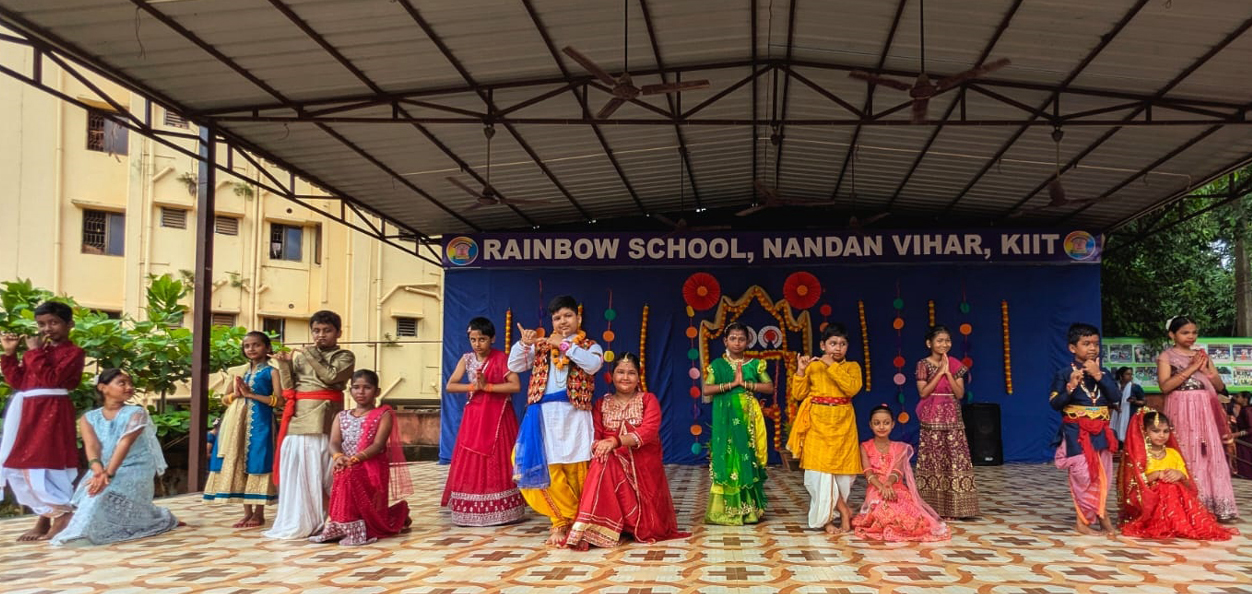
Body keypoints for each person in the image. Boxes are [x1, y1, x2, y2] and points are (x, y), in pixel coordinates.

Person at [565, 353, 688, 549]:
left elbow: (649, 431)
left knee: (605, 462)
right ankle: (595, 528)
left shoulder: (648, 400)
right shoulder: (601, 403)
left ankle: (599, 527)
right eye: (620, 372)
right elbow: (594, 435)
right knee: (603, 460)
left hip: (642, 463)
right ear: (612, 375)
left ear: (639, 376)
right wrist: (602, 446)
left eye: (631, 373)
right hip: (611, 460)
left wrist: (616, 442)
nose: (625, 377)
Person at [510, 295, 604, 546]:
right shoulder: (541, 346)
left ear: (578, 319)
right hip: (544, 416)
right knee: (549, 468)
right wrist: (524, 343)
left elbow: (593, 366)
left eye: (568, 316)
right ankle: (564, 520)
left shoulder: (590, 346)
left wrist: (564, 346)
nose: (563, 321)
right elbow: (515, 365)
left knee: (576, 469)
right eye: (557, 317)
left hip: (575, 415)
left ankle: (578, 521)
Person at [50, 369, 179, 546]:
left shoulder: (137, 413)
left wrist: (108, 474)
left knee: (102, 489)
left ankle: (84, 532)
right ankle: (81, 531)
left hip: (135, 465)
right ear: (103, 387)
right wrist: (98, 471)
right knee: (92, 489)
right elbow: (92, 446)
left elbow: (124, 443)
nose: (129, 387)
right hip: (103, 468)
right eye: (122, 383)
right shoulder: (89, 418)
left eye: (130, 383)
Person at [264, 310, 356, 540]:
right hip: (298, 418)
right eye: (316, 331)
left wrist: (310, 354)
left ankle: (332, 518)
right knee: (299, 475)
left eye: (327, 330)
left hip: (324, 419)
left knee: (324, 475)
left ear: (339, 333)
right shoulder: (302, 357)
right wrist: (284, 365)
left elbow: (330, 377)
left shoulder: (345, 356)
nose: (320, 335)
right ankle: (303, 520)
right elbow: (289, 388)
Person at [0, 301, 85, 542]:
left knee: (46, 462)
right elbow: (19, 382)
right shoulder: (39, 352)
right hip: (28, 410)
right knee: (18, 464)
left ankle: (61, 515)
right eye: (41, 324)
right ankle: (47, 515)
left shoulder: (74, 353)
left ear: (69, 324)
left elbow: (52, 379)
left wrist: (34, 352)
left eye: (53, 322)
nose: (47, 328)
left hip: (52, 410)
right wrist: (9, 354)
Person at [310, 370, 411, 545]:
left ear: (377, 392)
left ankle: (352, 528)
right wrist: (338, 457)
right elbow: (334, 442)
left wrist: (354, 460)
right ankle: (339, 525)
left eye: (367, 387)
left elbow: (378, 445)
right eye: (356, 387)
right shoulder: (341, 416)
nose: (361, 392)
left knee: (348, 474)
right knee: (344, 472)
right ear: (350, 391)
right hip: (345, 463)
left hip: (371, 467)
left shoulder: (383, 415)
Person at [442, 317, 525, 526]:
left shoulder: (502, 358)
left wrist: (488, 387)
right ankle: (471, 509)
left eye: (482, 339)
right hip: (474, 417)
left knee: (498, 457)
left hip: (499, 417)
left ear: (492, 339)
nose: (477, 344)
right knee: (472, 458)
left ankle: (503, 510)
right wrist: (474, 387)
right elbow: (451, 385)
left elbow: (515, 385)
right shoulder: (467, 359)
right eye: (473, 339)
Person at [1158, 316, 1238, 521]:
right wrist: (1191, 368)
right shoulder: (1166, 356)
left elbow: (1220, 387)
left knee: (1208, 452)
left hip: (1204, 409)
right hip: (1180, 408)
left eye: (1194, 332)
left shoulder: (1202, 356)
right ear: (1172, 335)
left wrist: (1206, 371)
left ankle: (1214, 504)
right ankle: (1188, 504)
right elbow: (1165, 387)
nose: (1191, 336)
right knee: (1185, 450)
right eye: (1185, 332)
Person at [787, 323, 863, 534]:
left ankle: (842, 511)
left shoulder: (852, 367)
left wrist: (831, 366)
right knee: (818, 475)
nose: (837, 348)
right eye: (833, 343)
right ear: (823, 345)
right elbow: (798, 394)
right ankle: (828, 519)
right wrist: (801, 370)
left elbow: (852, 388)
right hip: (817, 424)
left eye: (842, 344)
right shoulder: (813, 366)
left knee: (843, 476)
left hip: (843, 424)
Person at [1118, 409, 1237, 540]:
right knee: (1165, 487)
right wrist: (1156, 475)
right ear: (1144, 431)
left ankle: (1175, 523)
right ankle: (1165, 524)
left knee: (1172, 487)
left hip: (1175, 500)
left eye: (1166, 431)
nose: (1162, 435)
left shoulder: (1173, 453)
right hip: (1148, 500)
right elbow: (1133, 483)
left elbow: (1187, 482)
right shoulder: (1140, 455)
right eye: (1156, 431)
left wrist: (1179, 474)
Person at [1050, 322, 1120, 536]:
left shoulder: (1103, 372)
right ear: (1073, 348)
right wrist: (1071, 387)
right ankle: (1083, 521)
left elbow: (1115, 397)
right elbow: (1055, 403)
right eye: (1086, 343)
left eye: (1096, 344)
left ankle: (1102, 515)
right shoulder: (1064, 373)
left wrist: (1099, 376)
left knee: (1102, 475)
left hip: (1101, 432)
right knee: (1083, 475)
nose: (1092, 348)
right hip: (1076, 433)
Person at [203, 331, 279, 527]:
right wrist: (236, 394)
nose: (251, 349)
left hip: (261, 420)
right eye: (247, 346)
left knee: (258, 460)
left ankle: (259, 513)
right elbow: (224, 399)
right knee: (239, 461)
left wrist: (252, 395)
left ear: (267, 347)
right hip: (236, 423)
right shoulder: (240, 372)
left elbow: (280, 400)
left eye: (256, 345)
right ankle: (247, 513)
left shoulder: (272, 372)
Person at [703, 322, 773, 525]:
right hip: (726, 420)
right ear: (725, 341)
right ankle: (725, 510)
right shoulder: (718, 365)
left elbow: (769, 387)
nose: (737, 342)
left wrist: (745, 384)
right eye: (732, 338)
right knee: (729, 458)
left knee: (747, 457)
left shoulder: (755, 364)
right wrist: (732, 384)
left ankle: (749, 511)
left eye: (741, 339)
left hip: (748, 418)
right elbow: (707, 389)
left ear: (748, 341)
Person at [852, 404, 950, 542]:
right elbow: (868, 473)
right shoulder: (865, 446)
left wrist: (888, 484)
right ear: (870, 425)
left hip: (896, 486)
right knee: (884, 508)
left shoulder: (900, 447)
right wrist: (881, 487)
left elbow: (896, 471)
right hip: (875, 487)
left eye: (886, 423)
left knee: (907, 511)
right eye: (877, 423)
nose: (881, 427)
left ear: (893, 424)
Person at [913, 324, 979, 519]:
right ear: (929, 343)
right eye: (940, 341)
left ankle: (958, 508)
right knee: (933, 460)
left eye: (947, 341)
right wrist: (940, 372)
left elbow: (959, 394)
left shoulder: (955, 364)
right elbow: (923, 392)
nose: (944, 344)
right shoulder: (923, 364)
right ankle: (932, 508)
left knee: (954, 460)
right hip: (931, 418)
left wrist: (948, 373)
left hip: (952, 419)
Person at [1111, 366, 1147, 443]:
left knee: (1129, 438)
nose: (1130, 376)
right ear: (1121, 376)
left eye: (1131, 374)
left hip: (1130, 417)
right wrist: (1113, 406)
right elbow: (1108, 401)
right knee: (1114, 435)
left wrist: (1135, 402)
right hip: (1116, 416)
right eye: (1127, 374)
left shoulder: (1135, 387)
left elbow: (1144, 402)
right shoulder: (1115, 387)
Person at [1230, 391, 1251, 480]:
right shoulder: (1244, 410)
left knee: (1246, 462)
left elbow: (1250, 428)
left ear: (1245, 399)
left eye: (1238, 396)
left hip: (1247, 441)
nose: (1235, 398)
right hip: (1243, 441)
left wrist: (1236, 434)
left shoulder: (1247, 410)